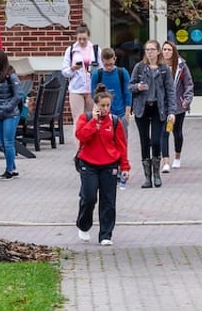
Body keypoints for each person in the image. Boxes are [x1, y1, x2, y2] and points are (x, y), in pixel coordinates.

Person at [75, 85, 131, 246]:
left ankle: (106, 234)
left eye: (108, 105)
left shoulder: (114, 122)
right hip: (88, 163)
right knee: (89, 197)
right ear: (96, 105)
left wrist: (125, 167)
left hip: (109, 164)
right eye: (102, 106)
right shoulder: (85, 118)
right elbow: (81, 136)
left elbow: (121, 146)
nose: (105, 109)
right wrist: (93, 121)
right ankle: (83, 225)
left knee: (108, 200)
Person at [129, 39, 175, 188]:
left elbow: (170, 90)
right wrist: (137, 87)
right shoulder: (139, 67)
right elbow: (130, 86)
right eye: (147, 50)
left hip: (158, 108)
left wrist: (172, 111)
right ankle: (147, 177)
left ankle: (156, 173)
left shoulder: (163, 69)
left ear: (158, 51)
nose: (149, 52)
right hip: (142, 108)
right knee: (144, 141)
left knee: (156, 141)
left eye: (152, 49)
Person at [0, 50, 24, 180]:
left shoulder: (11, 76)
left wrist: (7, 107)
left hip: (10, 113)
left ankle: (9, 169)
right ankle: (13, 167)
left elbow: (18, 95)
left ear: (1, 62)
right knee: (1, 142)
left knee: (8, 142)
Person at [161, 41, 193, 172]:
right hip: (164, 106)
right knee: (165, 132)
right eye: (164, 49)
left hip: (178, 106)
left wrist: (186, 100)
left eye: (169, 50)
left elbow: (189, 84)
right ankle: (166, 161)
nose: (166, 52)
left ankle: (177, 157)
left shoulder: (181, 66)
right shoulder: (159, 66)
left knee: (177, 132)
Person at [61, 24, 99, 121]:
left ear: (88, 37)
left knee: (93, 120)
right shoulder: (71, 50)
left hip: (92, 89)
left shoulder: (95, 50)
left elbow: (101, 69)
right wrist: (73, 68)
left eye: (84, 39)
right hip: (76, 89)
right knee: (78, 121)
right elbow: (64, 72)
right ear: (76, 37)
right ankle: (77, 137)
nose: (82, 41)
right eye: (79, 39)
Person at [90, 47, 132, 132]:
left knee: (121, 141)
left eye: (111, 64)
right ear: (102, 61)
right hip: (103, 114)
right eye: (106, 65)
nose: (109, 67)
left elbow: (127, 93)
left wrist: (127, 113)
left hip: (120, 113)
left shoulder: (122, 73)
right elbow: (93, 95)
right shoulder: (97, 75)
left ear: (115, 59)